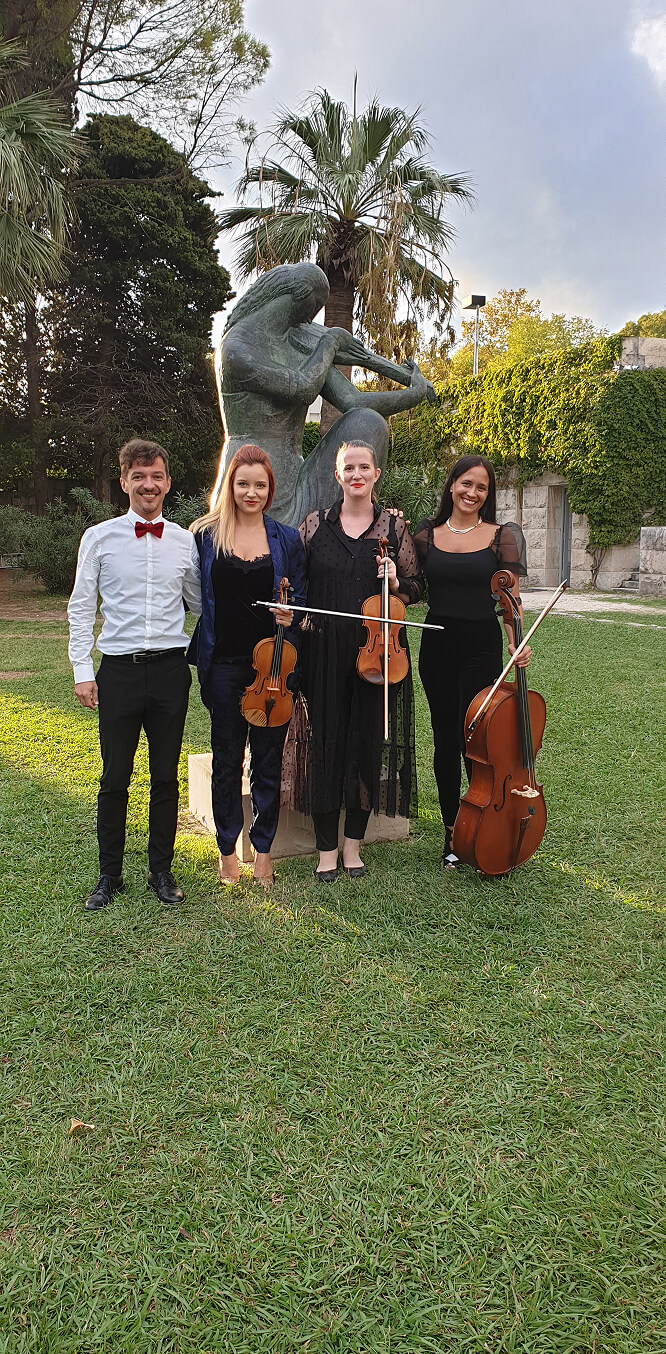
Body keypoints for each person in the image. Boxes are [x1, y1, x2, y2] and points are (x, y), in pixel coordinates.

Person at [68, 439, 202, 911]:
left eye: (157, 476)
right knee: (114, 777)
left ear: (167, 482)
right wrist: (84, 671)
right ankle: (108, 876)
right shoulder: (99, 538)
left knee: (165, 777)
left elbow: (201, 603)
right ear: (124, 481)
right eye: (139, 476)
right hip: (118, 674)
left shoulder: (185, 542)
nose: (149, 484)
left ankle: (161, 873)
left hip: (170, 671)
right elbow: (82, 607)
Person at [215, 261, 431, 525]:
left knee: (368, 421)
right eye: (312, 310)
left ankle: (362, 527)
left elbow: (353, 402)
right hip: (251, 482)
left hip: (297, 476)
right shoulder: (236, 349)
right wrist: (330, 342)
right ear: (300, 302)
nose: (311, 322)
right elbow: (304, 387)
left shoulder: (296, 342)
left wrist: (414, 393)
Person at [299, 440, 422, 882]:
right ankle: (326, 849)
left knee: (366, 743)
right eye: (348, 467)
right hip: (325, 651)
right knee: (326, 743)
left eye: (363, 467)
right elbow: (298, 583)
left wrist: (395, 579)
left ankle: (353, 845)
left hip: (378, 650)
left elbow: (415, 586)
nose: (356, 474)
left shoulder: (393, 528)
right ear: (338, 476)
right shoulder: (315, 525)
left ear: (375, 474)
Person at [188, 444, 306, 887]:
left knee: (268, 759)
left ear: (269, 488)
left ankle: (264, 851)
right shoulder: (204, 535)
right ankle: (226, 849)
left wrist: (290, 616)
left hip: (272, 669)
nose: (251, 492)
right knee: (225, 758)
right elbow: (193, 593)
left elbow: (301, 599)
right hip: (221, 663)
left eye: (260, 484)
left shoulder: (287, 539)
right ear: (229, 485)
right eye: (243, 484)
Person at [413, 455, 530, 869]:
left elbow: (509, 600)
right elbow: (407, 581)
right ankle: (451, 831)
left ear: (487, 494)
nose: (472, 492)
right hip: (437, 645)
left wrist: (517, 644)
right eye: (466, 483)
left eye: (481, 487)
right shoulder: (425, 534)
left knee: (476, 739)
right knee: (445, 738)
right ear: (452, 485)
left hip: (481, 645)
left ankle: (481, 818)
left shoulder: (502, 537)